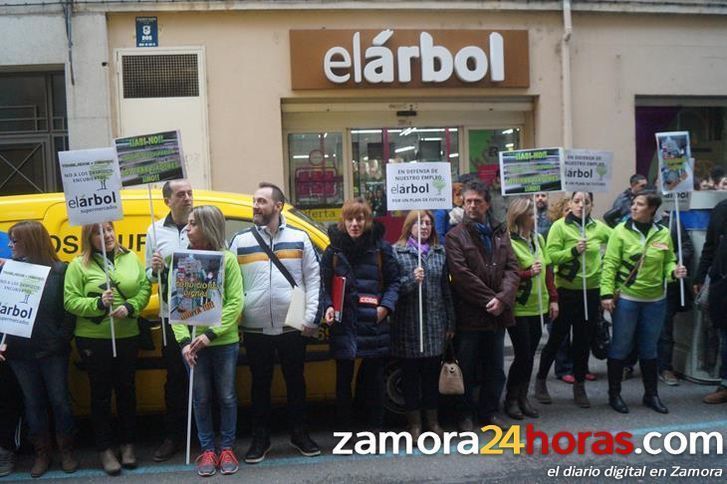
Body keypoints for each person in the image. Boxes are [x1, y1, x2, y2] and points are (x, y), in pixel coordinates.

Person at [229, 183, 321, 465]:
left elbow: (313, 280)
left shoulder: (300, 238)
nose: (255, 206)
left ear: (278, 206)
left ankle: (299, 433)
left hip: (293, 327)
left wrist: (309, 317)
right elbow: (229, 283)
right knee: (260, 385)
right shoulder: (240, 241)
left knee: (296, 383)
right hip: (255, 329)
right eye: (254, 201)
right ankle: (260, 438)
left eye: (261, 201)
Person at [64, 222, 151, 475]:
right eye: (99, 232)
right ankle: (104, 449)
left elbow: (145, 287)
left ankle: (128, 446)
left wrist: (132, 307)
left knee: (127, 391)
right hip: (93, 338)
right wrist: (98, 304)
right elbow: (70, 301)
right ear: (88, 238)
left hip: (127, 335)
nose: (107, 235)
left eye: (110, 229)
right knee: (100, 395)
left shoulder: (130, 258)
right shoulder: (78, 265)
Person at [0, 222, 77, 477]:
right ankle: (42, 453)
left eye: (15, 241)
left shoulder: (60, 271)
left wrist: (61, 339)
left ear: (31, 242)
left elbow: (69, 311)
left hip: (52, 351)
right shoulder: (8, 271)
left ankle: (66, 450)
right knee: (33, 404)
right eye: (10, 240)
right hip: (20, 353)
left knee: (60, 401)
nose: (10, 245)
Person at [172, 205, 244, 476]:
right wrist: (184, 343)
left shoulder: (227, 259)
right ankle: (207, 450)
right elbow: (176, 308)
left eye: (192, 224)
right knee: (200, 399)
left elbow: (236, 303)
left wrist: (209, 334)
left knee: (226, 396)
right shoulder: (183, 260)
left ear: (208, 227)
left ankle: (226, 447)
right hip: (193, 345)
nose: (187, 229)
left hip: (223, 342)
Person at [601, 192, 688, 414]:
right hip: (628, 299)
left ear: (652, 209)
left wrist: (674, 271)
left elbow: (668, 261)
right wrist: (606, 295)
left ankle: (651, 395)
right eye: (634, 203)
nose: (633, 207)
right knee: (621, 346)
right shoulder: (620, 231)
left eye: (639, 204)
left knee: (650, 348)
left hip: (656, 301)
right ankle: (614, 395)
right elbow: (609, 263)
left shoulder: (663, 233)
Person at [445, 179, 519, 430]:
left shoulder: (500, 232)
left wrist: (503, 298)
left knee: (495, 368)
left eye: (477, 201)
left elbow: (512, 268)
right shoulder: (455, 236)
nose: (472, 206)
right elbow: (462, 275)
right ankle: (465, 415)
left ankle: (489, 412)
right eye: (468, 201)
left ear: (487, 204)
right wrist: (492, 299)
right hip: (470, 315)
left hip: (497, 315)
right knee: (466, 367)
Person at [321, 198, 400, 431]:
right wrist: (326, 306)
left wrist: (385, 308)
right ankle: (345, 432)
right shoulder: (333, 250)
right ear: (343, 222)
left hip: (372, 323)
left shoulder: (380, 248)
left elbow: (395, 281)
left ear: (367, 221)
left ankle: (374, 431)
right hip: (343, 323)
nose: (355, 224)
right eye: (350, 219)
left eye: (360, 219)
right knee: (343, 383)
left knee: (374, 383)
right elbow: (323, 285)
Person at [535, 192, 612, 408]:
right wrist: (572, 250)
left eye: (586, 202)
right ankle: (541, 380)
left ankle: (579, 386)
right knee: (557, 339)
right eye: (577, 201)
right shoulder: (560, 227)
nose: (581, 205)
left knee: (582, 341)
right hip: (565, 292)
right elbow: (550, 256)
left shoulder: (597, 227)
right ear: (569, 204)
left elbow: (617, 241)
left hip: (591, 292)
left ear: (592, 204)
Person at [391, 210, 454, 438]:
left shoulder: (440, 252)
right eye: (419, 223)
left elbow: (446, 291)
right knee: (410, 378)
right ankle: (414, 424)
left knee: (430, 377)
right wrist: (410, 280)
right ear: (410, 226)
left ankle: (433, 421)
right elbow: (392, 289)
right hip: (408, 326)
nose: (425, 227)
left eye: (428, 223)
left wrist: (450, 323)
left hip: (435, 324)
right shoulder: (397, 253)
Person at [145, 180, 193, 462]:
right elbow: (148, 277)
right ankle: (173, 436)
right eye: (181, 194)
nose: (187, 198)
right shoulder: (154, 230)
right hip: (171, 316)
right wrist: (154, 271)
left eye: (190, 193)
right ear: (167, 201)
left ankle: (205, 436)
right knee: (175, 379)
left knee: (204, 377)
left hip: (203, 312)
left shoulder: (202, 221)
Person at [503, 198, 558, 420]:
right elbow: (505, 274)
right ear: (521, 217)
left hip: (539, 306)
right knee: (523, 355)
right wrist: (527, 273)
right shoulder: (509, 242)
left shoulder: (539, 240)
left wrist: (554, 299)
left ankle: (523, 397)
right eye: (532, 215)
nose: (536, 218)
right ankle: (511, 399)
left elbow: (548, 271)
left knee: (529, 356)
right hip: (519, 307)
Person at [694, 198, 727, 404]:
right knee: (725, 335)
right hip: (722, 283)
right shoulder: (721, 209)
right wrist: (700, 275)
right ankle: (725, 383)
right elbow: (710, 246)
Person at [657, 210, 694, 386]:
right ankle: (627, 364)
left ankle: (665, 367)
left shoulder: (671, 222)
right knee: (633, 329)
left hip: (667, 285)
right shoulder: (628, 223)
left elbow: (687, 247)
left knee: (665, 329)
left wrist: (670, 261)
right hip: (638, 286)